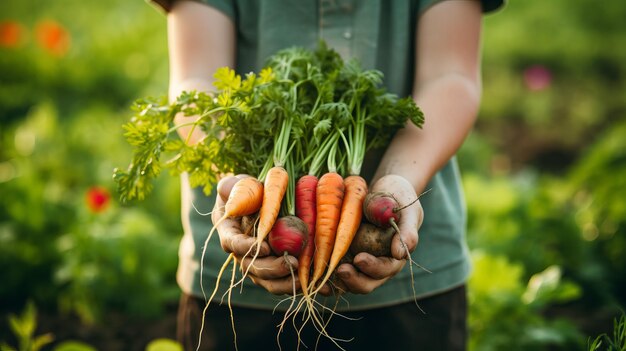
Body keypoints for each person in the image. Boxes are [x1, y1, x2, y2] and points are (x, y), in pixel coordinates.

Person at [151, 0, 504, 350]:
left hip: (417, 272)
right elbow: (197, 81)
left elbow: (451, 75)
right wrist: (242, 186)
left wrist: (402, 180)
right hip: (239, 273)